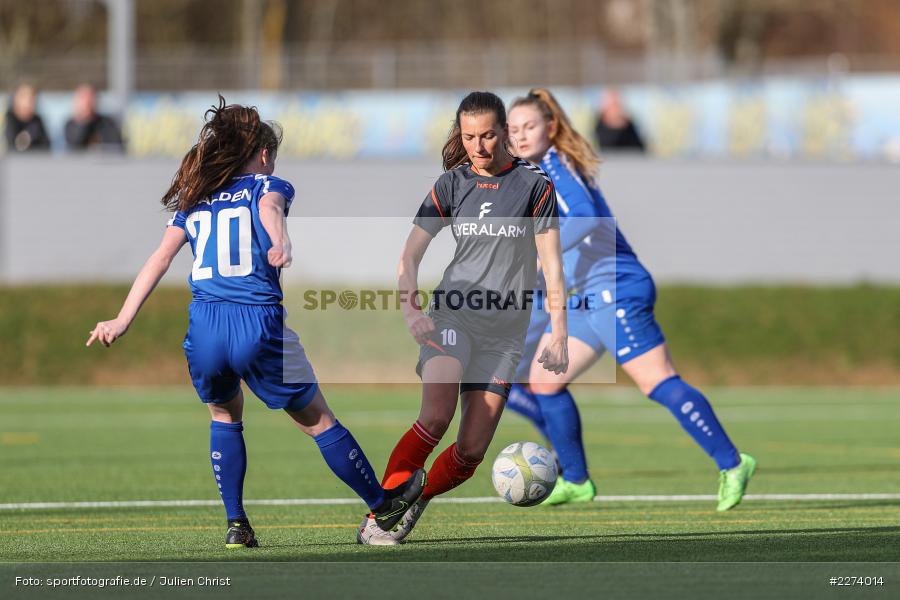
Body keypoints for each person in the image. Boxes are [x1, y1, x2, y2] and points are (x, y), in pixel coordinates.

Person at [86, 96, 424, 548]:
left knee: (224, 413)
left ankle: (236, 524)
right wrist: (281, 242)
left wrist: (122, 318)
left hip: (205, 325)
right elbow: (270, 210)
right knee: (318, 421)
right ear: (263, 155)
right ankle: (384, 509)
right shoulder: (267, 184)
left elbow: (160, 258)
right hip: (256, 321)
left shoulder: (196, 198)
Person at [506, 88, 755, 509]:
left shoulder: (554, 166)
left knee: (657, 382)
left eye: (529, 126)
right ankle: (578, 480)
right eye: (513, 130)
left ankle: (733, 463)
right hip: (592, 296)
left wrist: (539, 251)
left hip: (615, 287)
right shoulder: (536, 175)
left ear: (550, 127)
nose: (521, 136)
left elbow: (586, 217)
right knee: (545, 382)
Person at [357, 91, 569, 545]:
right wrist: (411, 309)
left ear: (506, 134)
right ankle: (381, 512)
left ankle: (415, 500)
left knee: (471, 451)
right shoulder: (451, 184)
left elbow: (552, 264)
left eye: (488, 135)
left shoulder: (535, 186)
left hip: (505, 335)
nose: (479, 146)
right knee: (435, 417)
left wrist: (559, 331)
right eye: (470, 136)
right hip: (453, 315)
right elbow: (410, 255)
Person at [64, 84, 125, 151]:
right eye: (83, 97)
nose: (87, 101)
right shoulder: (71, 124)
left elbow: (116, 146)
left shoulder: (107, 123)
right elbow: (75, 146)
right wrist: (84, 120)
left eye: (91, 97)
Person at [4, 83, 51, 152]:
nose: (30, 103)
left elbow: (46, 145)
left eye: (32, 99)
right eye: (27, 98)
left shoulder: (37, 121)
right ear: (17, 100)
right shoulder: (10, 119)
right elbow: (12, 145)